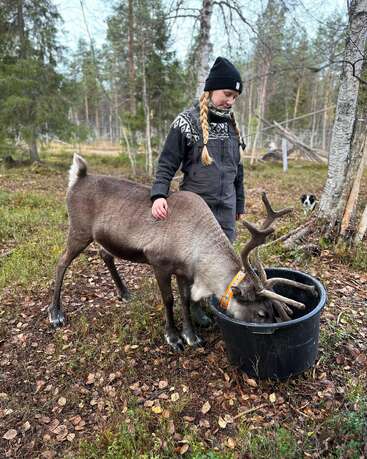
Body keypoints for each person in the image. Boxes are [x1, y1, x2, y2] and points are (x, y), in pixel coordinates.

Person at [150, 56, 245, 326]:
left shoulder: (231, 126)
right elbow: (167, 162)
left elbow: (238, 171)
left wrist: (239, 204)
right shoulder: (186, 122)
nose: (231, 101)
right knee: (191, 264)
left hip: (225, 208)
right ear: (211, 90)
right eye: (227, 94)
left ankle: (209, 301)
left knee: (218, 260)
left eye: (235, 97)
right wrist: (158, 194)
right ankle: (192, 307)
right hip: (194, 210)